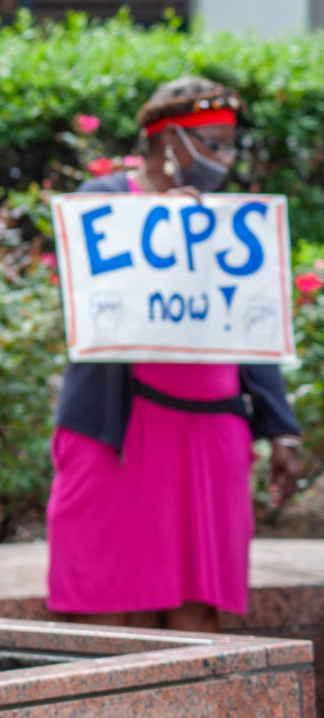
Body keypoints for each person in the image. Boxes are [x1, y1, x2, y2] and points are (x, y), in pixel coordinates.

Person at [46, 76, 304, 632]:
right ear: (167, 139)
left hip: (210, 437)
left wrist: (281, 428)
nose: (225, 158)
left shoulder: (229, 220)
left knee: (197, 609)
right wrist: (159, 222)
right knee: (106, 599)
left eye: (231, 144)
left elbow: (248, 326)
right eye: (211, 143)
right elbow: (85, 294)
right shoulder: (103, 201)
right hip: (119, 430)